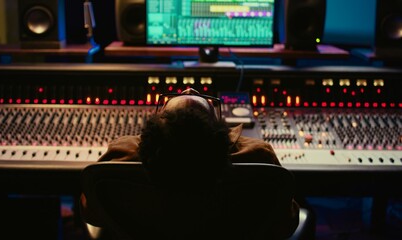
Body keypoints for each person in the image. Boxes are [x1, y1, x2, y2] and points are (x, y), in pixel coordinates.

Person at [80, 88, 300, 239]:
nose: (188, 90)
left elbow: (92, 213)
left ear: (154, 127)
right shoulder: (259, 157)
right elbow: (285, 225)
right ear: (221, 132)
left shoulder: (122, 153)